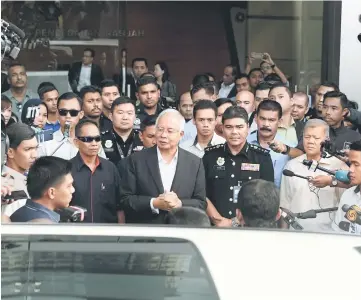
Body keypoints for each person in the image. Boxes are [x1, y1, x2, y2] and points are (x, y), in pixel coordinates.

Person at [119, 109, 207, 224]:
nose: (163, 135)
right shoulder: (135, 160)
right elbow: (125, 199)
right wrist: (154, 203)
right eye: (160, 129)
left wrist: (179, 203)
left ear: (181, 134)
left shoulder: (195, 163)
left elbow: (201, 202)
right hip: (146, 231)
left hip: (182, 231)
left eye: (170, 131)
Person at [202, 106, 274, 227]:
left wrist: (237, 222)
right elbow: (201, 193)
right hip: (215, 227)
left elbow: (268, 196)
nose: (234, 132)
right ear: (222, 129)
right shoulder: (210, 156)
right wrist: (218, 220)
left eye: (239, 127)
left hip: (251, 227)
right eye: (229, 127)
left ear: (248, 128)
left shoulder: (262, 158)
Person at [280, 119, 348, 232]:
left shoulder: (339, 167)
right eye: (307, 137)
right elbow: (285, 205)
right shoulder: (291, 166)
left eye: (316, 138)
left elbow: (345, 203)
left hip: (329, 233)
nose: (310, 141)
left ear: (326, 140)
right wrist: (283, 233)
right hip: (297, 233)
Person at [70, 119, 123, 223]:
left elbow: (119, 206)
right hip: (76, 233)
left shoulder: (110, 168)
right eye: (88, 139)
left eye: (97, 139)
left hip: (107, 233)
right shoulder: (66, 169)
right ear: (76, 142)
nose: (94, 143)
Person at [38, 92, 106, 160]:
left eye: (73, 113)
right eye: (63, 112)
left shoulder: (92, 140)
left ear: (81, 114)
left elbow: (103, 166)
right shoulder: (45, 143)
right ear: (57, 114)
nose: (68, 116)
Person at [10, 156, 74, 223]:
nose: (73, 190)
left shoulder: (19, 212)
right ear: (51, 192)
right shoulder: (46, 226)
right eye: (69, 186)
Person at [247, 100, 290, 188]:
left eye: (271, 120)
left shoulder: (288, 148)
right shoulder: (244, 143)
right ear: (255, 118)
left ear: (280, 121)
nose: (266, 124)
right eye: (262, 119)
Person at [1, 123, 38, 221]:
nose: (34, 155)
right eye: (28, 149)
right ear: (10, 152)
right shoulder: (5, 186)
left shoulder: (30, 178)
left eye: (36, 148)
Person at [101, 97, 143, 165]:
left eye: (129, 113)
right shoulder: (100, 139)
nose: (125, 117)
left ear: (135, 117)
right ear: (111, 116)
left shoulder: (143, 139)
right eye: (120, 113)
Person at [332, 141, 361, 234]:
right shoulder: (348, 195)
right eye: (350, 164)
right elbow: (337, 232)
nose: (350, 169)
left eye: (356, 164)